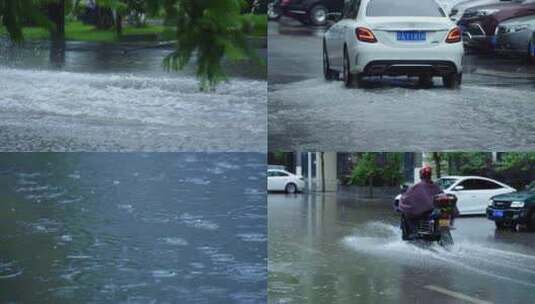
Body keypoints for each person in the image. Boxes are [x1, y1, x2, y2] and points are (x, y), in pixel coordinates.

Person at [399, 165, 443, 240]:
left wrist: (402, 201)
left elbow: (406, 198)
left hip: (425, 212)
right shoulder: (436, 186)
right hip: (433, 211)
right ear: (430, 175)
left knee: (406, 214)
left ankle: (414, 233)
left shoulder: (416, 187)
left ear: (421, 175)